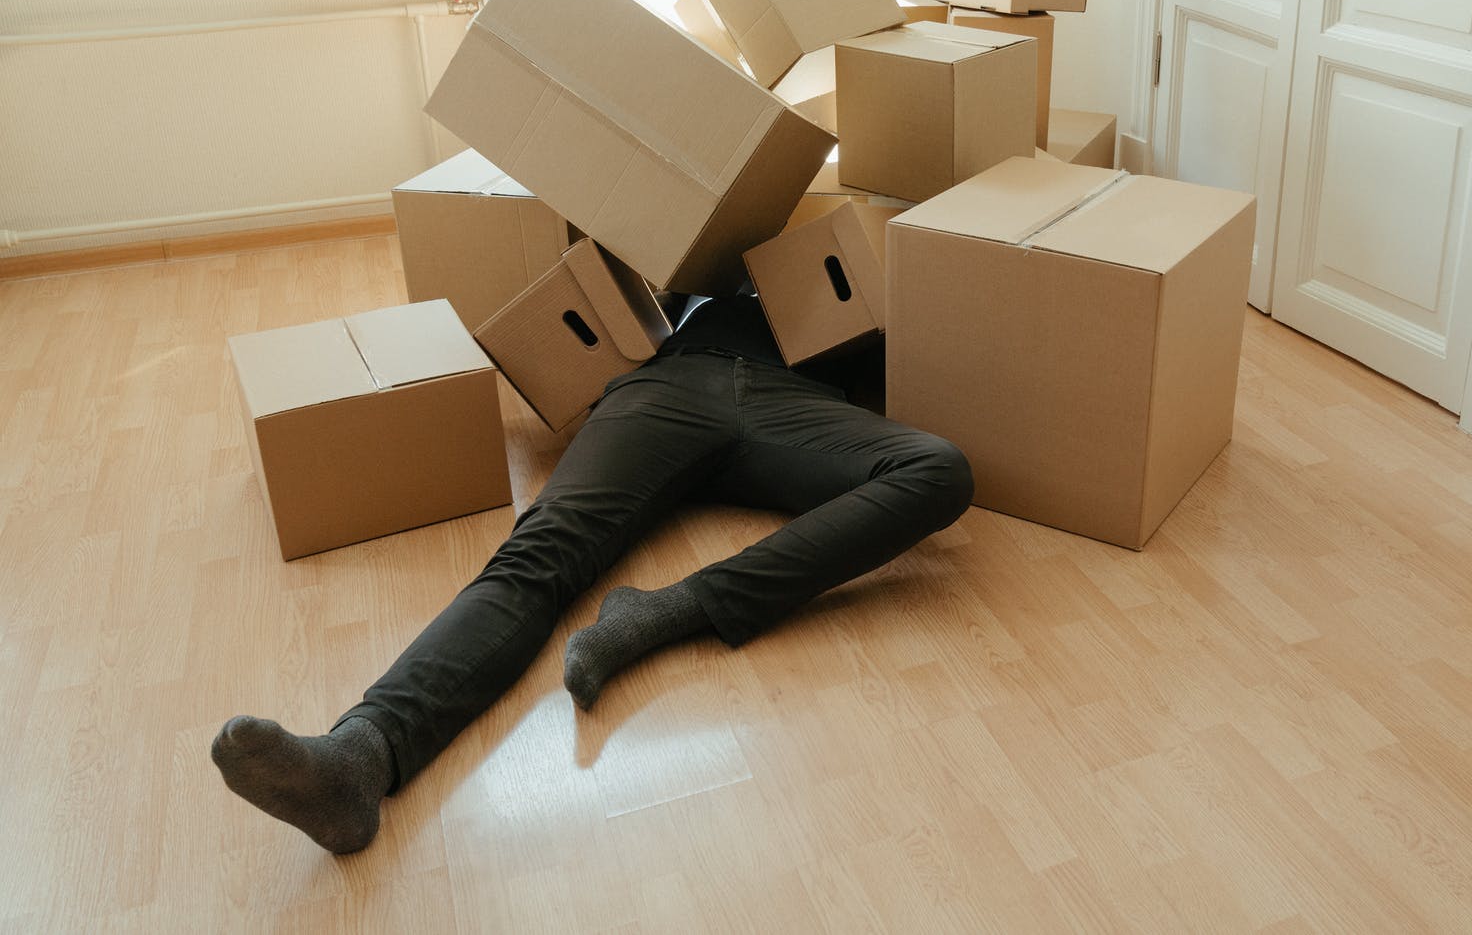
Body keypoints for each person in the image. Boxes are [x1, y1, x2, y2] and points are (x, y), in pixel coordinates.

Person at [211, 293, 973, 854]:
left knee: (938, 469)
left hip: (796, 408)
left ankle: (668, 611)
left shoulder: (885, 249)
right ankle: (358, 758)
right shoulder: (704, 235)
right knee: (534, 559)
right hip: (665, 389)